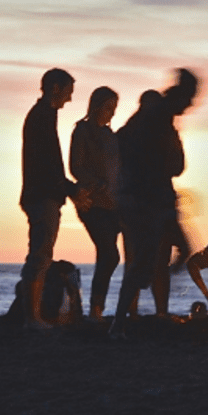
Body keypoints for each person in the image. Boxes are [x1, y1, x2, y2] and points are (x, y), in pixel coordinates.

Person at [110, 69, 199, 339]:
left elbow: (175, 164)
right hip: (148, 201)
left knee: (180, 252)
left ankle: (145, 287)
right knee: (148, 261)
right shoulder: (157, 117)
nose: (192, 104)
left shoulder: (161, 118)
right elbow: (171, 163)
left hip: (155, 199)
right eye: (191, 98)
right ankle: (119, 321)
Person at [20, 68, 89, 327]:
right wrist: (70, 189)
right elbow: (49, 163)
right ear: (56, 88)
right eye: (68, 92)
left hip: (43, 193)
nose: (70, 99)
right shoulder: (42, 116)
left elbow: (50, 164)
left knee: (41, 253)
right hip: (42, 195)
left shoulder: (43, 116)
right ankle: (32, 318)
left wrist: (68, 190)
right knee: (40, 254)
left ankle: (33, 315)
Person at [69, 86, 122, 319]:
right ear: (96, 106)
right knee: (109, 254)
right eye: (108, 107)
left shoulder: (111, 136)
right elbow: (75, 166)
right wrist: (97, 184)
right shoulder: (82, 131)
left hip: (113, 203)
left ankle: (98, 309)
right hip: (92, 201)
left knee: (108, 254)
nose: (111, 112)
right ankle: (95, 308)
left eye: (114, 108)